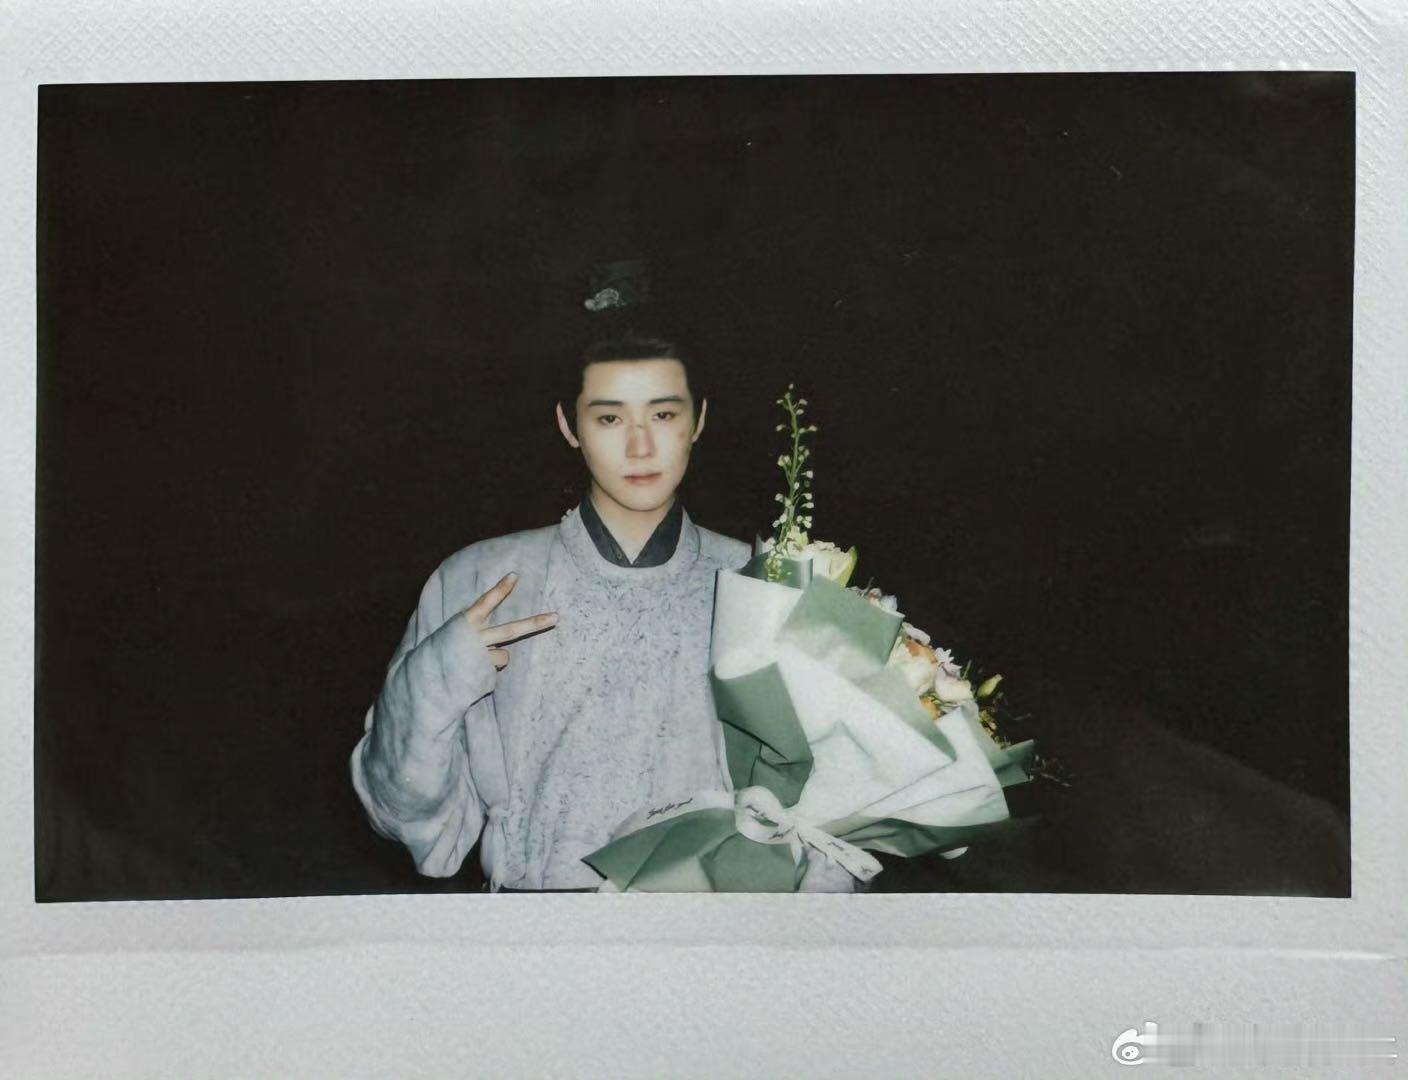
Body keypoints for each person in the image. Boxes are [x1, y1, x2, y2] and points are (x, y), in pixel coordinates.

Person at [351, 329, 855, 892]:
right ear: (569, 425)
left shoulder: (760, 582)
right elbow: (400, 813)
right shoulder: (479, 578)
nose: (640, 447)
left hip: (712, 921)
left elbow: (831, 806)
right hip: (538, 920)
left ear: (699, 420)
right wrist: (433, 681)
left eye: (663, 415)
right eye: (610, 418)